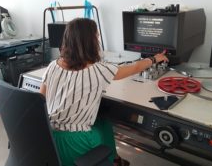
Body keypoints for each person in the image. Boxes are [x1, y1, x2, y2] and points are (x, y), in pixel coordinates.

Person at [40, 18, 168, 166]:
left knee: (104, 123)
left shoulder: (52, 66)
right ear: (91, 42)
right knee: (100, 127)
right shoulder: (98, 70)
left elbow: (40, 101)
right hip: (75, 143)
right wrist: (154, 59)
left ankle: (114, 159)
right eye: (97, 36)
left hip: (48, 137)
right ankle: (108, 159)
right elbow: (133, 68)